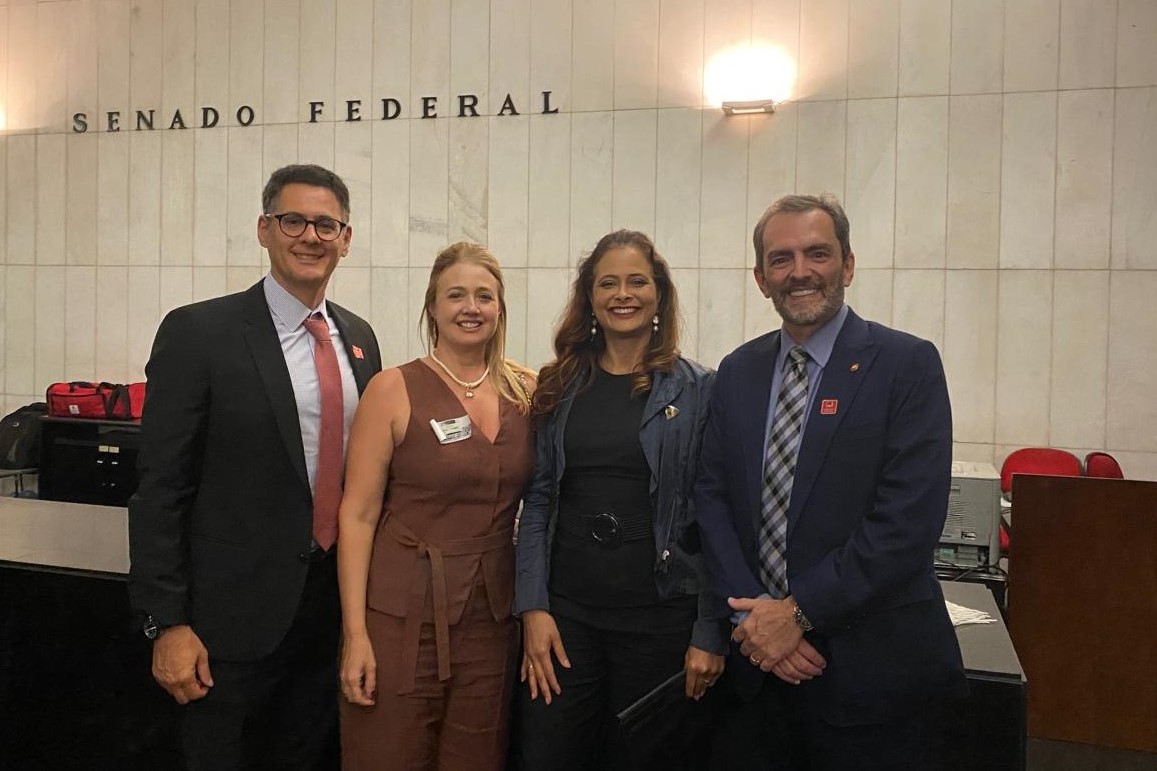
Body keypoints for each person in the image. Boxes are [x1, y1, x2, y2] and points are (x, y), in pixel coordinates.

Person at [693, 194, 967, 770]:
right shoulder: (738, 371)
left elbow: (907, 523)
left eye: (817, 253)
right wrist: (753, 619)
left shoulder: (906, 365)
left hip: (872, 679)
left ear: (847, 265)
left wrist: (796, 614)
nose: (800, 272)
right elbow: (712, 498)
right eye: (781, 258)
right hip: (757, 676)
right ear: (761, 278)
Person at [128, 164, 383, 770]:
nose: (310, 236)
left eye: (326, 225)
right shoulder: (199, 332)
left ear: (346, 239)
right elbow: (161, 487)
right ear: (264, 229)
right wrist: (166, 623)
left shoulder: (360, 339)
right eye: (293, 221)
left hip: (326, 616)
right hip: (226, 627)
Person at [514, 230, 729, 771]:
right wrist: (532, 607)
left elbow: (715, 516)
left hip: (660, 621)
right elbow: (538, 500)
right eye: (608, 283)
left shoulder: (699, 390)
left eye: (637, 281)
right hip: (567, 617)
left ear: (659, 294)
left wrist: (710, 630)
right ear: (589, 298)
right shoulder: (560, 383)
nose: (623, 294)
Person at [337, 242, 535, 771]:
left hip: (491, 620)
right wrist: (355, 635)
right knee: (388, 753)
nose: (471, 307)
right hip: (401, 615)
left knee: (477, 756)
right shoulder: (392, 389)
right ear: (432, 307)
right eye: (456, 295)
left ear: (500, 308)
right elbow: (357, 516)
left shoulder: (526, 392)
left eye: (484, 296)